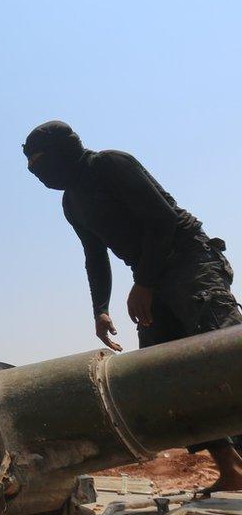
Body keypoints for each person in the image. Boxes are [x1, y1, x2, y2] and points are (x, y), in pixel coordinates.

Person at [23, 120, 242, 491]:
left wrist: (143, 284)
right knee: (164, 373)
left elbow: (163, 222)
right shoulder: (71, 202)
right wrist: (100, 309)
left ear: (63, 152)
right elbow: (95, 256)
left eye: (40, 162)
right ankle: (231, 469)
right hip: (149, 275)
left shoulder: (109, 164)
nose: (37, 174)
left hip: (188, 259)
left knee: (224, 352)